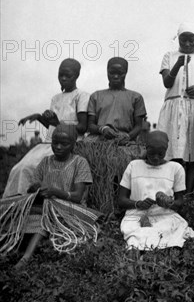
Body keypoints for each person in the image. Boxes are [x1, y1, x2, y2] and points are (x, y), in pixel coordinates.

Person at [0, 124, 100, 269]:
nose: (58, 147)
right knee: (9, 207)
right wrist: (36, 189)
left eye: (64, 144)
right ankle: (9, 247)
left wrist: (55, 192)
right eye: (55, 143)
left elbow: (78, 196)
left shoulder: (80, 163)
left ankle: (25, 259)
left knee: (45, 218)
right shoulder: (45, 162)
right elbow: (32, 188)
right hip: (45, 205)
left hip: (69, 209)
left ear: (73, 145)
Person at [3, 58, 89, 198]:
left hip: (68, 144)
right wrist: (39, 117)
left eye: (68, 75)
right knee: (18, 169)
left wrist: (57, 122)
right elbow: (52, 126)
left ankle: (31, 199)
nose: (63, 78)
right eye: (60, 75)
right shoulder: (56, 98)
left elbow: (82, 127)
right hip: (49, 143)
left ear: (77, 76)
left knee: (29, 168)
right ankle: (17, 201)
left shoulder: (81, 96)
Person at [157, 24, 194, 194]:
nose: (188, 42)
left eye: (192, 39)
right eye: (184, 38)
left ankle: (189, 195)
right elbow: (167, 83)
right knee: (176, 152)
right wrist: (177, 65)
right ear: (178, 38)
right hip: (175, 108)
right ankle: (174, 192)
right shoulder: (169, 56)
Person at [118, 131, 194, 250]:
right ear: (145, 148)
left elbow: (180, 202)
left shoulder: (175, 168)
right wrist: (138, 204)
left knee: (170, 233)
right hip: (137, 216)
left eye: (160, 154)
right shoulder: (134, 166)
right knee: (138, 238)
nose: (155, 157)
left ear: (166, 150)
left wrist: (169, 203)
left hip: (165, 216)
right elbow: (121, 200)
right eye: (152, 153)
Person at [87, 57, 147, 144]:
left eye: (120, 73)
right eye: (112, 73)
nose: (115, 76)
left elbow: (138, 126)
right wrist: (103, 129)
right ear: (107, 72)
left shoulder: (136, 97)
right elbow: (90, 125)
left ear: (125, 73)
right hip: (99, 139)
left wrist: (128, 137)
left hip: (126, 141)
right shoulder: (96, 96)